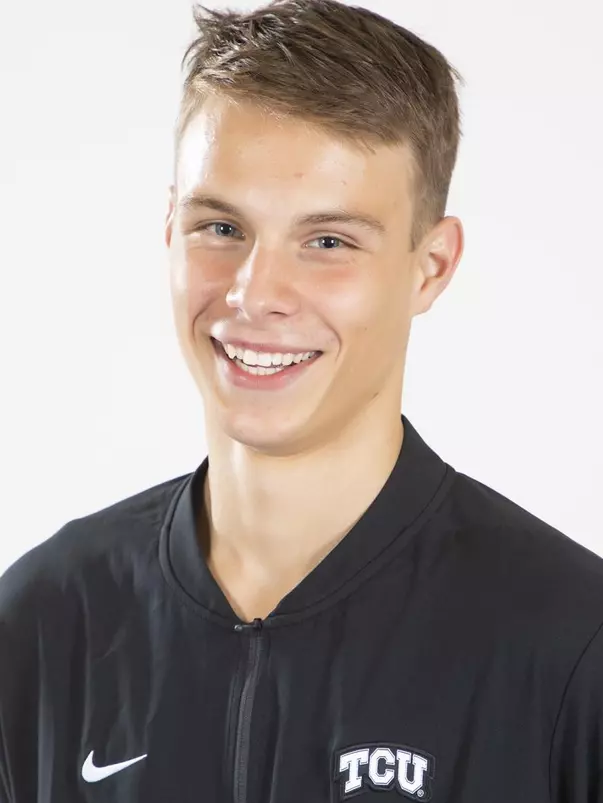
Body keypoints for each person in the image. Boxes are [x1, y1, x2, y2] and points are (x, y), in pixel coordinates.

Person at [1, 0, 602, 800]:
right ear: (169, 229)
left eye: (327, 242)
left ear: (430, 266)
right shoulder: (44, 623)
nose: (257, 294)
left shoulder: (570, 643)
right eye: (221, 227)